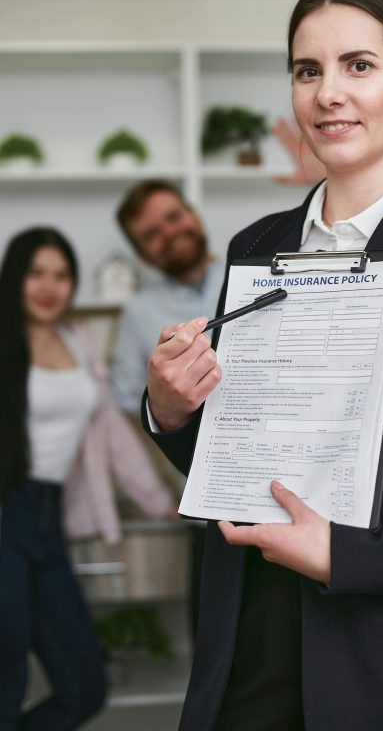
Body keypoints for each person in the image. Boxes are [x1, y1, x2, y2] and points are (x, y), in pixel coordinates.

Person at [143, 0, 383, 731]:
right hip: (251, 651)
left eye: (358, 65)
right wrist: (171, 412)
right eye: (309, 71)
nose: (328, 93)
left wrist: (348, 557)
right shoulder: (255, 246)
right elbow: (240, 456)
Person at [0, 227, 173, 730]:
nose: (49, 286)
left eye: (61, 275)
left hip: (46, 526)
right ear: (15, 277)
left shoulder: (78, 339)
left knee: (84, 688)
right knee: (6, 682)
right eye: (36, 273)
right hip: (5, 516)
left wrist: (159, 500)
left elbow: (111, 434)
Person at [112, 178, 224, 415]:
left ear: (194, 215)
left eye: (174, 217)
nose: (171, 233)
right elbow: (126, 397)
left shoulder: (253, 278)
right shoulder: (137, 310)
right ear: (143, 257)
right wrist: (165, 398)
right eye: (152, 234)